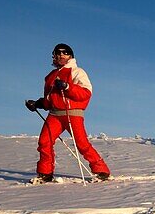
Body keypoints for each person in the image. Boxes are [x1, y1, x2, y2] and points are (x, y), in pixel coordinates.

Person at [25, 44, 110, 183]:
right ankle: (45, 173)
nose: (59, 57)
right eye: (56, 54)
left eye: (62, 54)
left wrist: (68, 87)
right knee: (44, 142)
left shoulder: (77, 72)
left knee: (81, 143)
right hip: (54, 114)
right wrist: (38, 104)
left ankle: (101, 170)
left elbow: (85, 93)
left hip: (72, 113)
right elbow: (49, 99)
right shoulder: (50, 77)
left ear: (70, 56)